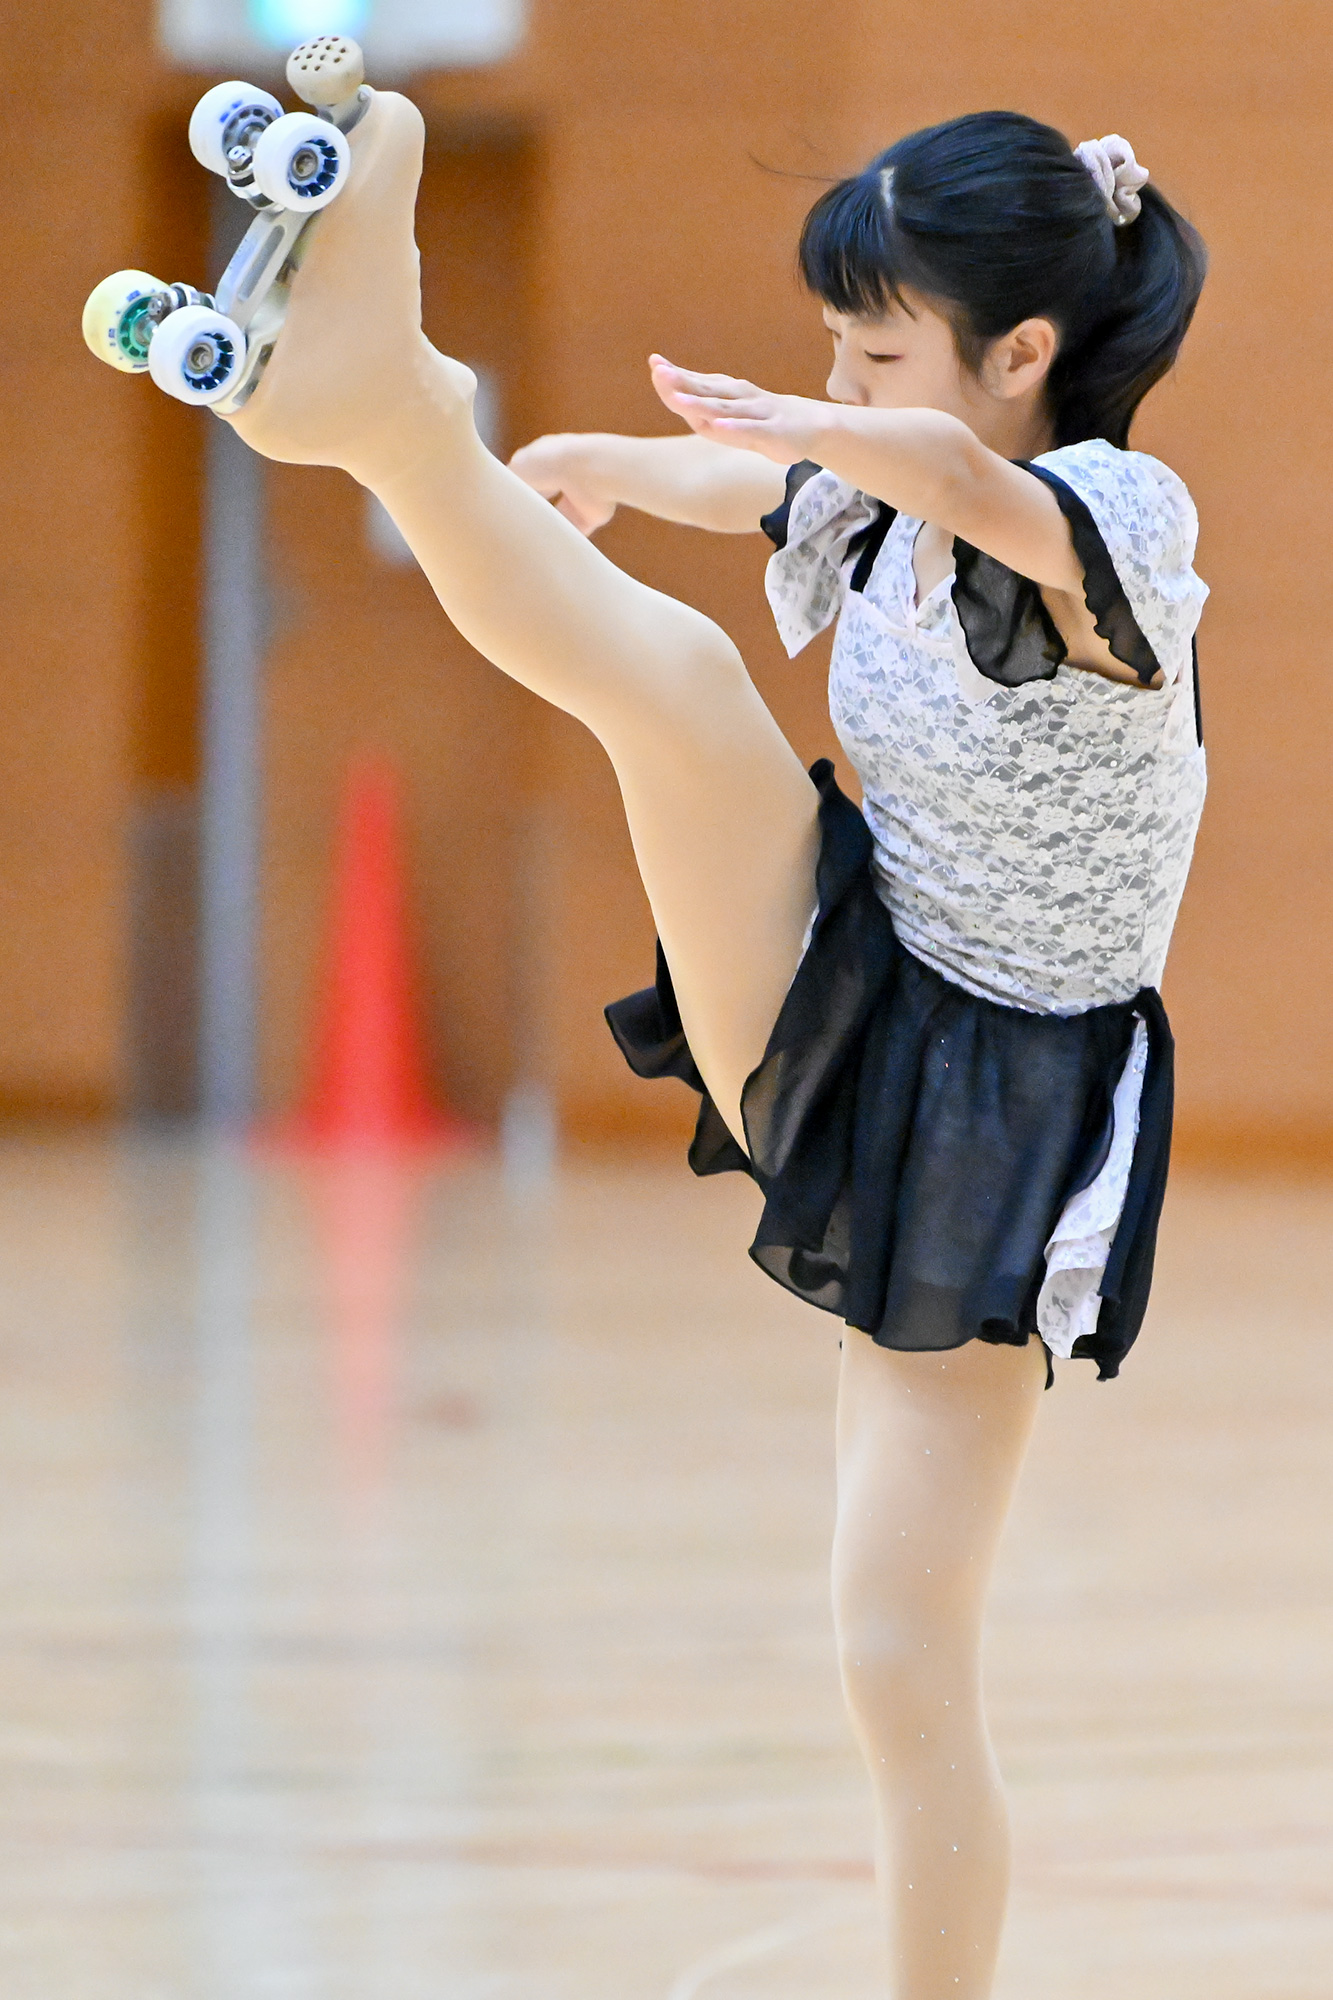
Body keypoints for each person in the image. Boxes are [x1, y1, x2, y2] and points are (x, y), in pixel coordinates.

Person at [226, 96, 1207, 2000]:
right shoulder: (876, 475)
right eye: (829, 350)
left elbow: (946, 474)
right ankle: (394, 416)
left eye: (873, 354)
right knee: (669, 682)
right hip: (855, 974)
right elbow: (768, 487)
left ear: (1023, 354)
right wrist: (595, 459)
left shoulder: (1119, 523)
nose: (833, 390)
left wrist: (810, 429)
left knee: (897, 1657)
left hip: (993, 1119)